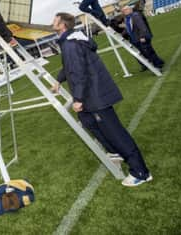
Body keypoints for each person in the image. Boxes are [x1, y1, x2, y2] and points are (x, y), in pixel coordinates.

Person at [51, 12, 153, 187]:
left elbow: (79, 73)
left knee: (115, 133)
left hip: (94, 95)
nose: (52, 22)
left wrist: (78, 99)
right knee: (87, 121)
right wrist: (59, 80)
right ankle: (115, 152)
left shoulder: (70, 44)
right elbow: (70, 66)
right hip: (92, 94)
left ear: (62, 25)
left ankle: (141, 172)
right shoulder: (72, 40)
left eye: (55, 20)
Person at [121, 5, 165, 71]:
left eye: (125, 10)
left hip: (141, 38)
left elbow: (142, 26)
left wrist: (142, 36)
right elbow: (129, 28)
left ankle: (157, 66)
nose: (124, 12)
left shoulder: (135, 16)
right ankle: (158, 62)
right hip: (134, 39)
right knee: (144, 52)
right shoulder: (127, 18)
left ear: (130, 10)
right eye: (123, 11)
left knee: (148, 52)